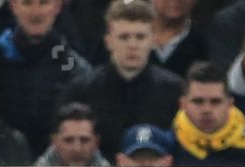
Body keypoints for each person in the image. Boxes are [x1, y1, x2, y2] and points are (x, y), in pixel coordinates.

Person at [60, 0, 182, 158]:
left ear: (153, 40)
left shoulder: (174, 90)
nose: (132, 45)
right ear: (108, 41)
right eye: (124, 37)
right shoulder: (81, 91)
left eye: (140, 37)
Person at [0, 0, 89, 155]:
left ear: (57, 6)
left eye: (43, 3)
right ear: (13, 6)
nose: (36, 12)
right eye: (27, 3)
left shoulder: (75, 69)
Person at [170, 61, 245, 167]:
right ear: (182, 104)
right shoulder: (167, 149)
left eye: (215, 102)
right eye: (198, 101)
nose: (206, 109)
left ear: (230, 104)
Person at [34, 103, 108, 167]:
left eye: (84, 140)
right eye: (68, 140)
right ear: (54, 141)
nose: (77, 149)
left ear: (97, 142)